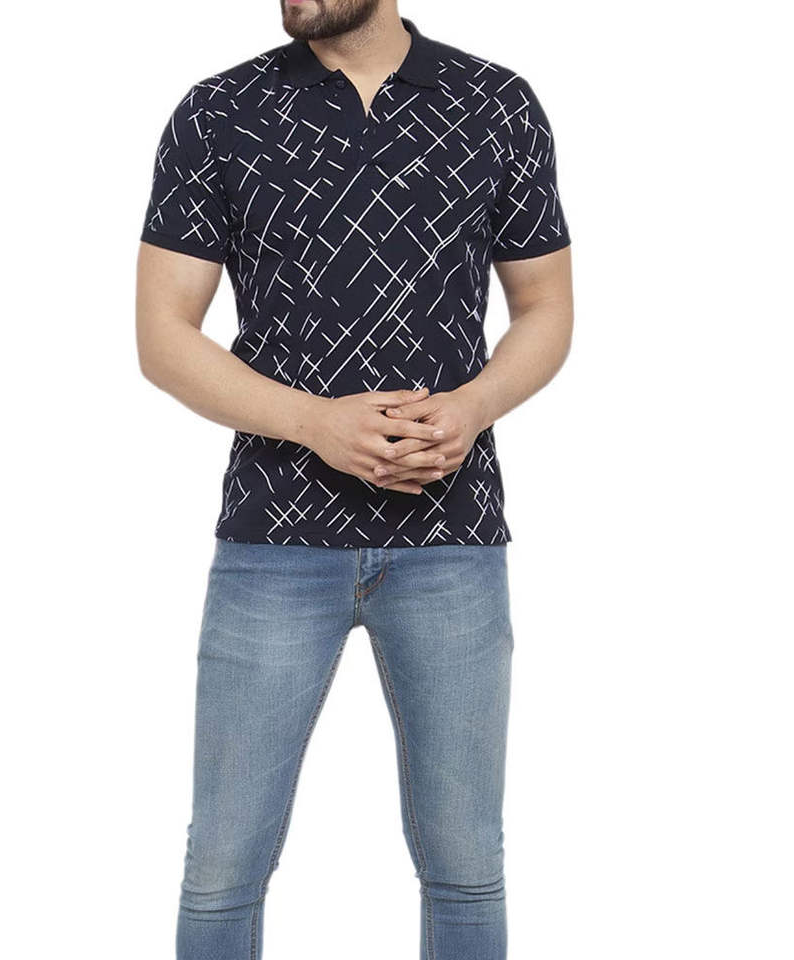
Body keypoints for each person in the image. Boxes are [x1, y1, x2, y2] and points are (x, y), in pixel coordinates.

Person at [135, 1, 573, 957]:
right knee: (223, 866)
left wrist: (474, 406)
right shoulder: (220, 110)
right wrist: (314, 424)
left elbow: (545, 306)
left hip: (453, 538)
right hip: (272, 540)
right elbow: (162, 336)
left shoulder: (495, 103)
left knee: (466, 864)